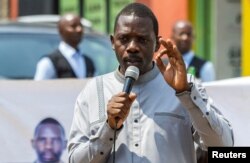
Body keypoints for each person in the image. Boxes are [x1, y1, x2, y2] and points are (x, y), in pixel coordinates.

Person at [67, 3, 233, 163]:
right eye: (124, 39)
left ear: (156, 44)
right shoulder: (94, 91)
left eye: (142, 40)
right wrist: (108, 128)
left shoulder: (184, 86)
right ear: (112, 42)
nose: (132, 47)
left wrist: (186, 94)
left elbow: (224, 146)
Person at [34, 13, 95, 80]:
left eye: (80, 26)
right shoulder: (48, 62)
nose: (79, 29)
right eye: (73, 26)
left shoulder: (89, 62)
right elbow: (39, 89)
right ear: (61, 31)